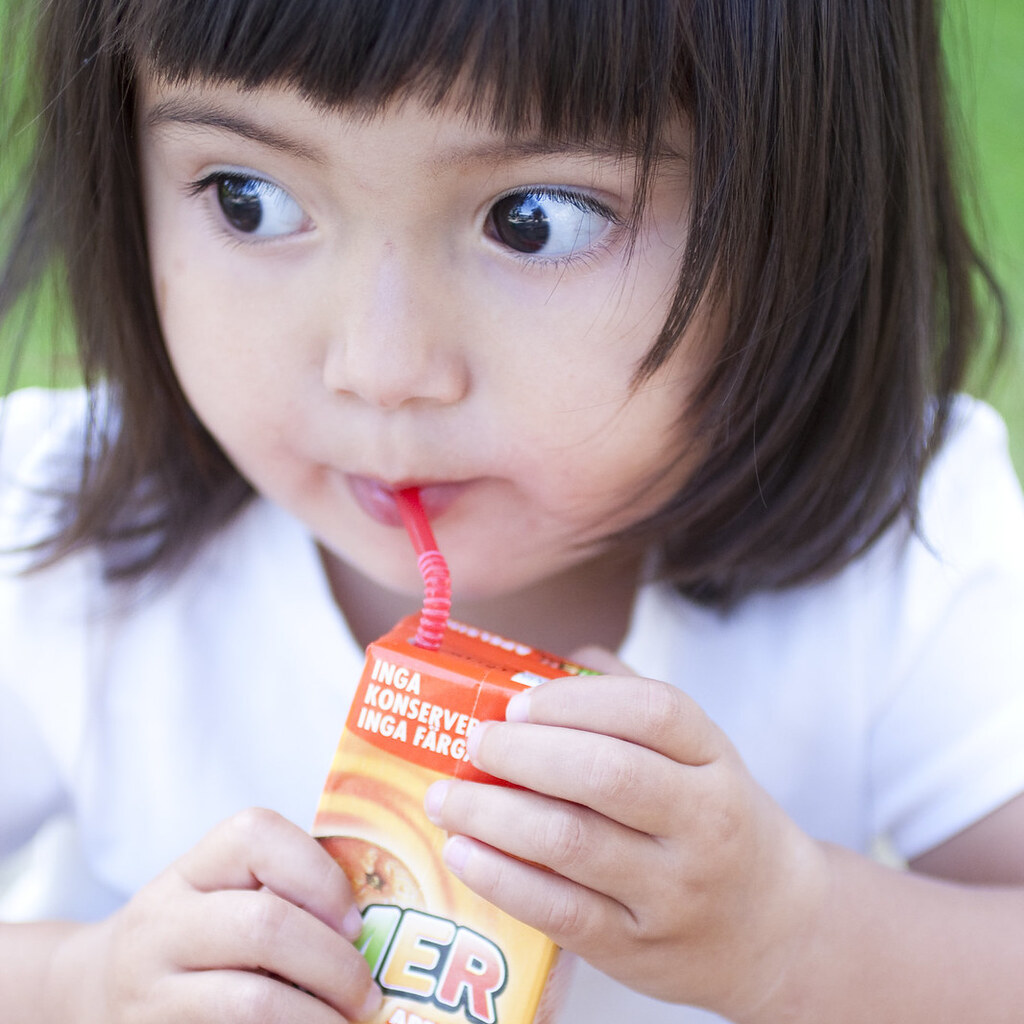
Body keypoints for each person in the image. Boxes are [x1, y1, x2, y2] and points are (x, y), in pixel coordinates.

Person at [1, 0, 1023, 1020]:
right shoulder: (57, 534)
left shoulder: (905, 550)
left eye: (534, 222)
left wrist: (793, 935)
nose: (381, 366)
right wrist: (81, 984)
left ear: (806, 207)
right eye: (248, 198)